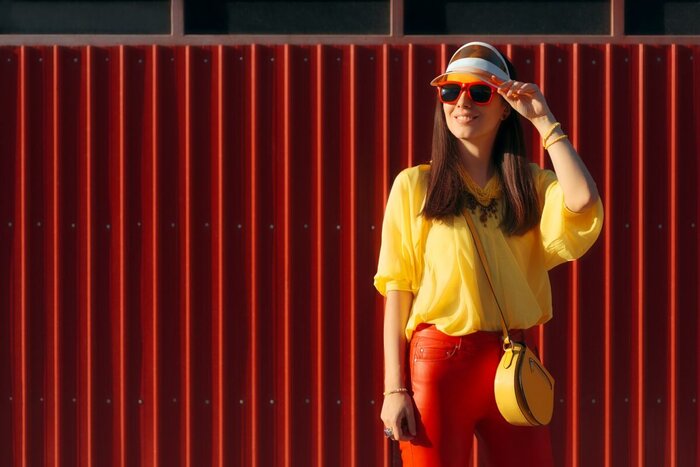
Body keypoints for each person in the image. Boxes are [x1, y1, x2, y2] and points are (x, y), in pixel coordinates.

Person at [373, 42, 603, 467]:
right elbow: (397, 288)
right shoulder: (414, 186)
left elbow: (583, 200)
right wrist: (394, 389)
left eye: (480, 92)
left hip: (510, 364)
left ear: (503, 107)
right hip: (438, 365)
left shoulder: (529, 187)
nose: (463, 102)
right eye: (450, 91)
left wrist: (544, 120)